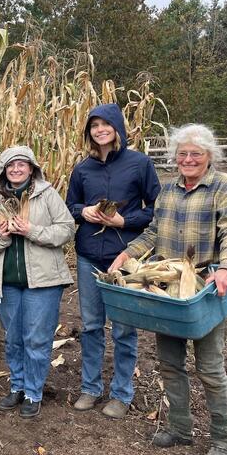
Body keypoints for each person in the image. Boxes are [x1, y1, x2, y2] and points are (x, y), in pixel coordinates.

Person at [110, 123, 227, 455]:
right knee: (170, 363)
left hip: (206, 287)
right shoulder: (169, 190)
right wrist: (128, 255)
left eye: (195, 154)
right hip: (169, 287)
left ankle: (222, 437)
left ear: (209, 156)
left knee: (211, 368)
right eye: (182, 154)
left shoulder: (224, 186)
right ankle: (180, 428)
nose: (188, 159)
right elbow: (154, 232)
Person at [65, 103, 161, 419]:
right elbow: (70, 206)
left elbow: (156, 210)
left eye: (105, 124)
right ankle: (91, 388)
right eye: (94, 126)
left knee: (122, 328)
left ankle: (121, 393)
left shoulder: (139, 164)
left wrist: (124, 221)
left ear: (117, 128)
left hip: (124, 257)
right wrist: (84, 212)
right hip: (89, 256)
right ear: (89, 132)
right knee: (91, 325)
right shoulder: (82, 169)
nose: (100, 130)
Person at [0, 146, 74, 418]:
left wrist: (32, 231)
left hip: (42, 283)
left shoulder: (47, 195)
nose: (16, 169)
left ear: (32, 169)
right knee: (14, 339)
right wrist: (2, 237)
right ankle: (17, 387)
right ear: (3, 171)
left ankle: (33, 392)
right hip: (7, 282)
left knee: (36, 339)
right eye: (11, 165)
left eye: (22, 165)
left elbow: (67, 229)